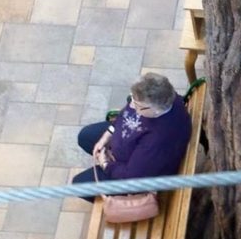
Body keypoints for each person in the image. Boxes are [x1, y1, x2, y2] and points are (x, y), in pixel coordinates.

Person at [72, 73, 192, 201]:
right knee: (85, 136)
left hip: (132, 171)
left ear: (155, 110)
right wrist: (107, 136)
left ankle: (115, 201)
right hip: (129, 142)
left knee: (79, 184)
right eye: (133, 99)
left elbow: (131, 176)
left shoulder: (158, 141)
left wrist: (105, 164)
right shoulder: (165, 96)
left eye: (137, 105)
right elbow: (125, 114)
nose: (131, 105)